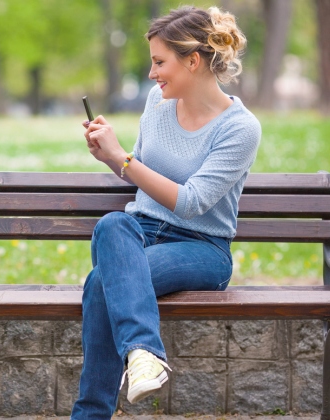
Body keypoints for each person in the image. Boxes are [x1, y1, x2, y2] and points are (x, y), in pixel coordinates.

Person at [71, 6, 261, 418]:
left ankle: (95, 407)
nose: (153, 74)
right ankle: (144, 355)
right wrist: (111, 156)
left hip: (202, 247)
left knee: (102, 282)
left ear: (193, 61)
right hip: (138, 231)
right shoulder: (158, 102)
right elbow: (138, 169)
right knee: (112, 224)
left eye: (160, 62)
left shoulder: (240, 127)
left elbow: (191, 201)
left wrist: (123, 160)